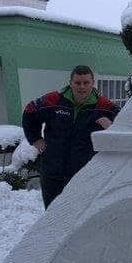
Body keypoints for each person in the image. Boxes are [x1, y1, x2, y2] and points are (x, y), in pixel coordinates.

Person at [23, 65, 120, 209]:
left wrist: (112, 127)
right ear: (71, 83)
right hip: (52, 173)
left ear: (93, 83)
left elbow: (126, 129)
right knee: (52, 215)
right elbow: (30, 110)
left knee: (79, 216)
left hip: (84, 175)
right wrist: (35, 138)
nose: (82, 87)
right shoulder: (53, 100)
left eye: (86, 82)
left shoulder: (104, 106)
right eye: (77, 83)